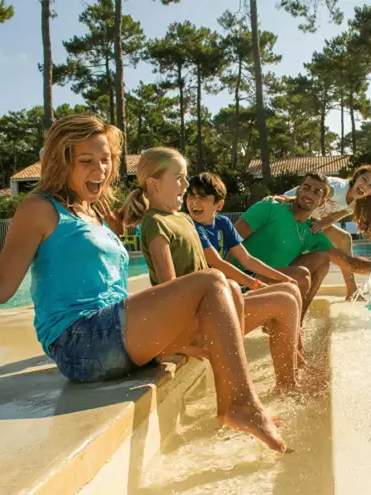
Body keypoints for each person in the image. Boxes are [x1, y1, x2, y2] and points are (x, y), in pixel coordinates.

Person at [0, 115, 286, 452]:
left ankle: (226, 408)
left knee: (230, 292)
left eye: (105, 159)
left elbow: (109, 286)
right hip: (81, 342)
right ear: (62, 161)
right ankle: (241, 406)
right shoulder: (39, 208)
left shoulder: (95, 213)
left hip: (114, 334)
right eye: (86, 160)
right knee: (213, 282)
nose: (100, 169)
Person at [120, 148, 303, 391]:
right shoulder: (155, 223)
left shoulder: (183, 219)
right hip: (197, 323)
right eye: (179, 178)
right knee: (285, 303)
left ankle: (291, 376)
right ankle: (287, 387)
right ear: (154, 184)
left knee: (288, 294)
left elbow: (217, 264)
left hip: (212, 312)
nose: (186, 184)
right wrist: (182, 345)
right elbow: (169, 293)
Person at [234, 172, 371, 320]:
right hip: (242, 280)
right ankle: (286, 320)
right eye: (306, 188)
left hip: (307, 226)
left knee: (327, 255)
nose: (310, 194)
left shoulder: (314, 229)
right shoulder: (271, 207)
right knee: (302, 274)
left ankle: (296, 322)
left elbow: (346, 259)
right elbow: (231, 242)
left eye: (317, 192)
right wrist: (285, 198)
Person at [283, 166, 371, 299]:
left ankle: (352, 291)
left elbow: (333, 218)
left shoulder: (354, 203)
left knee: (345, 238)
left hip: (310, 217)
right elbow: (308, 195)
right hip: (290, 207)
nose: (365, 186)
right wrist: (284, 199)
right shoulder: (338, 188)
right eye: (364, 179)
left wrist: (320, 224)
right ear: (356, 177)